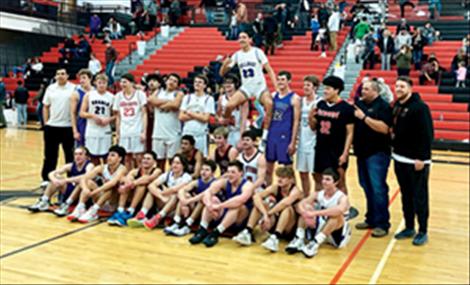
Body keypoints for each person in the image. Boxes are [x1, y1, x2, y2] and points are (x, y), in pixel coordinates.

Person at [392, 76, 434, 246]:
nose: (398, 89)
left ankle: (423, 230)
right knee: (406, 195)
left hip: (416, 161)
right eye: (396, 86)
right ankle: (409, 226)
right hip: (399, 158)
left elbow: (427, 134)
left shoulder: (420, 108)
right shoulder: (397, 106)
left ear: (410, 88)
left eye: (402, 86)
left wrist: (421, 158)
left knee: (420, 197)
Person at [219, 31, 277, 152]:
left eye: (244, 37)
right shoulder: (237, 55)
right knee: (229, 105)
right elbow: (222, 73)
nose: (241, 40)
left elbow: (269, 70)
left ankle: (264, 138)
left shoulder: (257, 52)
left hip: (259, 87)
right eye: (239, 38)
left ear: (250, 39)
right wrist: (225, 64)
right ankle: (226, 126)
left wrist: (276, 88)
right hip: (246, 87)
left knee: (270, 104)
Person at [309, 76, 358, 219]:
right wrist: (311, 118)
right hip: (321, 148)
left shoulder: (346, 108)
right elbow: (313, 128)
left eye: (328, 88)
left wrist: (345, 153)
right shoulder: (320, 105)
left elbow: (350, 133)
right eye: (325, 88)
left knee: (340, 180)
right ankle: (319, 206)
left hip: (337, 150)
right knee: (318, 178)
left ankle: (345, 209)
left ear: (337, 90)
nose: (325, 91)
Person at [353, 80, 393, 237]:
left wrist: (364, 118)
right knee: (366, 186)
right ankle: (371, 218)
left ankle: (383, 223)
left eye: (366, 89)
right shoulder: (359, 104)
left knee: (378, 189)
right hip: (361, 152)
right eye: (363, 89)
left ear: (375, 91)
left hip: (377, 153)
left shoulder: (383, 106)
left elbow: (384, 128)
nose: (363, 91)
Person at [232, 166, 303, 252]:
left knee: (287, 208)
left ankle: (275, 238)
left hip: (290, 227)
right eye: (278, 176)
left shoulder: (296, 191)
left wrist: (268, 214)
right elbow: (256, 196)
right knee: (261, 204)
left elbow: (284, 203)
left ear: (291, 179)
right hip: (276, 221)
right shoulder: (276, 187)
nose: (279, 179)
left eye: (283, 177)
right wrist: (265, 214)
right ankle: (247, 232)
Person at [286, 168, 351, 258]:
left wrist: (314, 213)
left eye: (328, 179)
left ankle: (315, 243)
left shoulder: (342, 197)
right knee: (306, 208)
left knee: (336, 216)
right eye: (323, 179)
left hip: (336, 233)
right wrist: (306, 214)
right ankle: (299, 238)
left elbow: (339, 210)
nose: (324, 182)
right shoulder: (317, 194)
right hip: (321, 228)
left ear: (335, 182)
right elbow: (299, 205)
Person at [188, 160, 254, 247]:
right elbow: (208, 192)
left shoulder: (248, 185)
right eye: (228, 172)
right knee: (213, 199)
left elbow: (240, 200)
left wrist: (219, 206)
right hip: (225, 216)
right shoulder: (225, 182)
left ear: (241, 173)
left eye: (233, 172)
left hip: (239, 220)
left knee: (237, 206)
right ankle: (202, 229)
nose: (230, 174)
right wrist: (210, 206)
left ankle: (216, 233)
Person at [129, 154, 193, 229]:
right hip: (165, 201)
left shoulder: (187, 177)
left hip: (176, 208)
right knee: (151, 192)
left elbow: (175, 189)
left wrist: (163, 192)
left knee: (176, 195)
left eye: (178, 163)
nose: (175, 165)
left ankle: (158, 217)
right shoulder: (168, 174)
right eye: (173, 163)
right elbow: (151, 185)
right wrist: (161, 196)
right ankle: (142, 214)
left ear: (183, 166)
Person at [67, 145, 128, 223]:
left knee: (110, 187)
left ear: (120, 158)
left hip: (112, 203)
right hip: (100, 200)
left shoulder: (122, 169)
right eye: (108, 155)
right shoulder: (102, 168)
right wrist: (85, 189)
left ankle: (93, 211)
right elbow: (84, 178)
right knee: (88, 182)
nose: (109, 157)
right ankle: (81, 207)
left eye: (113, 155)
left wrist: (94, 192)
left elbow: (112, 183)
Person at [28, 146, 94, 215]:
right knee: (56, 178)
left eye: (80, 154)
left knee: (81, 182)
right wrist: (54, 180)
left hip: (83, 195)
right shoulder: (71, 165)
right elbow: (51, 173)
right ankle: (44, 200)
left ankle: (67, 204)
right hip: (70, 192)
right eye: (75, 154)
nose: (77, 156)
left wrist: (66, 180)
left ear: (86, 156)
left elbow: (85, 177)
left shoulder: (89, 165)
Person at [41, 68, 76, 187]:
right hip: (52, 127)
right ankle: (46, 178)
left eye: (63, 74)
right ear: (55, 76)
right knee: (50, 155)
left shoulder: (73, 88)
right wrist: (46, 124)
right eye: (58, 74)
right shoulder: (50, 88)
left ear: (67, 76)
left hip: (68, 127)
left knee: (70, 155)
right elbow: (45, 106)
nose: (60, 76)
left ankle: (72, 179)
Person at [163, 159, 218, 236]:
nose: (203, 172)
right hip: (196, 210)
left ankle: (188, 225)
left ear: (213, 173)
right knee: (185, 195)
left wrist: (188, 201)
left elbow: (204, 194)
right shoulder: (197, 182)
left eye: (207, 170)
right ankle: (177, 222)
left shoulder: (215, 183)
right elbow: (182, 190)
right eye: (202, 169)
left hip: (210, 212)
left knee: (203, 199)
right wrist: (183, 200)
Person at [107, 151, 161, 226]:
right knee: (126, 183)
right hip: (136, 200)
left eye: (148, 159)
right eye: (144, 158)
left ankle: (130, 211)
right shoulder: (135, 171)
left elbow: (148, 179)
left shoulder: (157, 171)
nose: (145, 160)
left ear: (154, 162)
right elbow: (124, 178)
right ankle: (120, 210)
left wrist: (132, 183)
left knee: (141, 185)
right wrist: (127, 182)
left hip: (150, 203)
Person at [265, 71, 300, 186]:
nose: (280, 82)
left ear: (289, 81)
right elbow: (268, 116)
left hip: (285, 136)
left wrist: (293, 141)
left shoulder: (294, 98)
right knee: (268, 168)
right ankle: (270, 194)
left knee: (288, 170)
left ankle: (293, 194)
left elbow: (296, 121)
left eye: (283, 79)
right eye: (278, 79)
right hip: (272, 134)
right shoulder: (273, 95)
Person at [147, 73, 184, 171]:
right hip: (158, 132)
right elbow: (150, 100)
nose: (171, 82)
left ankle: (171, 181)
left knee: (173, 161)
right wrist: (168, 102)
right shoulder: (158, 91)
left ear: (178, 85)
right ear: (166, 81)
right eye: (170, 79)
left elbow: (176, 105)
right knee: (159, 161)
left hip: (173, 133)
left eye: (175, 81)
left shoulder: (179, 94)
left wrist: (159, 104)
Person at [113, 73, 148, 169]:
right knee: (126, 157)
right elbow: (118, 116)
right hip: (124, 130)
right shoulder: (118, 96)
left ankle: (139, 178)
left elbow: (144, 114)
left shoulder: (140, 94)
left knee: (139, 157)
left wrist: (144, 132)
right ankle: (128, 179)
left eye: (125, 82)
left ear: (132, 83)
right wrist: (117, 133)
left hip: (137, 129)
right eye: (121, 82)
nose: (122, 84)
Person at [79, 73, 115, 165]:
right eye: (100, 83)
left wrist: (108, 120)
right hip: (92, 129)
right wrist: (93, 116)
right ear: (95, 83)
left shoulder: (112, 97)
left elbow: (116, 115)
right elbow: (82, 113)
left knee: (107, 156)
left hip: (105, 129)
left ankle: (106, 177)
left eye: (104, 83)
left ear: (107, 84)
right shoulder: (89, 95)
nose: (102, 85)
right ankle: (95, 177)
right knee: (92, 156)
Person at [179, 74, 215, 157]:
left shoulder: (209, 99)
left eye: (200, 82)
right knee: (185, 158)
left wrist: (190, 113)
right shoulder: (187, 97)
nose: (197, 84)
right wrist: (198, 114)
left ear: (205, 85)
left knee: (201, 158)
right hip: (187, 133)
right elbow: (181, 116)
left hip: (201, 134)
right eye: (195, 82)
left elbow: (206, 118)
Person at [297, 75, 321, 195]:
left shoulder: (319, 102)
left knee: (316, 174)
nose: (305, 87)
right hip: (301, 141)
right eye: (304, 85)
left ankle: (317, 199)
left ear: (315, 88)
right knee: (303, 173)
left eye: (308, 85)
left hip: (314, 142)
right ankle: (307, 197)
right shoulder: (300, 101)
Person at [215, 74, 248, 149]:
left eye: (230, 83)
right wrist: (219, 119)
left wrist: (241, 138)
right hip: (226, 132)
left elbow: (244, 120)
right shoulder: (221, 98)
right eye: (225, 83)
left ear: (236, 84)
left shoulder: (242, 98)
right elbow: (217, 115)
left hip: (238, 131)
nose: (227, 85)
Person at [70, 69, 94, 147]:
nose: (81, 80)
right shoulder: (76, 93)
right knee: (80, 151)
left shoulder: (96, 92)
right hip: (82, 124)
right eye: (80, 78)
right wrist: (75, 131)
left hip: (94, 125)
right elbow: (73, 113)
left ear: (90, 79)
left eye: (84, 78)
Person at [143, 74, 163, 151]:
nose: (151, 83)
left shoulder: (162, 94)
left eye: (154, 81)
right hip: (146, 120)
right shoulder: (143, 94)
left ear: (159, 84)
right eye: (150, 81)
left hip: (159, 120)